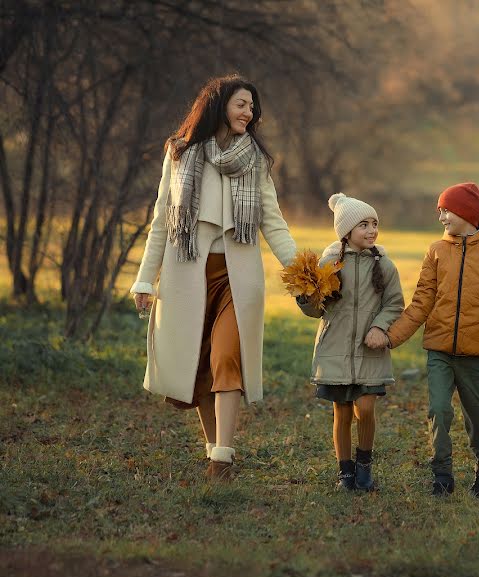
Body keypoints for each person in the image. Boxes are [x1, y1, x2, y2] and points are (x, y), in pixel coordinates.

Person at [130, 75, 297, 481]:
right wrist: (144, 280)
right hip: (187, 276)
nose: (250, 113)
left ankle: (223, 458)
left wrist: (304, 272)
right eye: (242, 104)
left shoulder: (254, 160)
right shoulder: (180, 153)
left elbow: (272, 222)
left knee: (226, 357)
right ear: (220, 104)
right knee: (199, 365)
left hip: (236, 279)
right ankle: (213, 449)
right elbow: (160, 222)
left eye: (253, 107)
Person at [379, 183, 479, 498]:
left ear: (467, 213)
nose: (441, 217)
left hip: (476, 352)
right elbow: (421, 303)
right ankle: (441, 474)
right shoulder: (436, 251)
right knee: (439, 410)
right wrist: (390, 337)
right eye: (440, 210)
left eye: (446, 210)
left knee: (478, 420)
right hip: (439, 350)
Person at [297, 193, 404, 492]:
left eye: (374, 224)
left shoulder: (385, 265)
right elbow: (316, 308)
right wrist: (305, 297)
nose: (371, 230)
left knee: (366, 409)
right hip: (336, 350)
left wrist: (380, 328)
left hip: (369, 351)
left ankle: (364, 465)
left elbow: (395, 304)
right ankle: (345, 472)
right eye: (363, 225)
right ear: (346, 231)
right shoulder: (329, 263)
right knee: (342, 412)